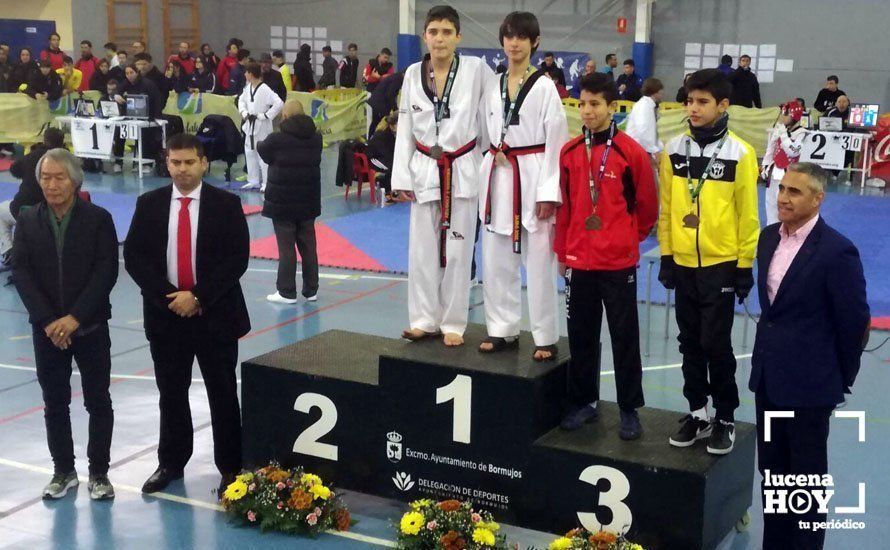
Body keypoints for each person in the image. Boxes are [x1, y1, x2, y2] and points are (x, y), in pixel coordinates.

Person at [750, 162, 869, 550]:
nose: (783, 197)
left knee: (805, 485)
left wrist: (837, 380)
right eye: (782, 189)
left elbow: (853, 324)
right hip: (768, 383)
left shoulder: (837, 252)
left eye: (795, 192)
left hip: (810, 390)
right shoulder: (767, 238)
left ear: (818, 199)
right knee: (773, 477)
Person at [124, 133, 249, 498]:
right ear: (167, 162)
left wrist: (197, 297)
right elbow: (136, 258)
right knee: (171, 393)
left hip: (215, 314)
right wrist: (170, 299)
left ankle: (230, 468)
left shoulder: (226, 204)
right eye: (175, 163)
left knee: (223, 393)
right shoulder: (149, 204)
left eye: (189, 162)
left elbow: (236, 259)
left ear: (203, 163)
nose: (182, 170)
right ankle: (171, 462)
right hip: (167, 318)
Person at [658, 69, 760, 455]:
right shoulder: (672, 151)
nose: (693, 108)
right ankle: (698, 413)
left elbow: (748, 216)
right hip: (683, 262)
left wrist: (744, 265)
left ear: (723, 105)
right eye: (689, 101)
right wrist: (667, 255)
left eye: (702, 102)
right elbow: (668, 211)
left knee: (715, 343)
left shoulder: (741, 154)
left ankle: (726, 416)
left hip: (721, 263)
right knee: (689, 343)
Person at [12, 147, 118, 501]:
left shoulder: (98, 219)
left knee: (98, 401)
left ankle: (99, 473)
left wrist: (74, 318)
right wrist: (47, 321)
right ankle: (63, 471)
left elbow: (106, 271)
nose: (52, 185)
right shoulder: (27, 220)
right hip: (47, 332)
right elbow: (22, 271)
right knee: (54, 403)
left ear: (74, 181)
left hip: (89, 327)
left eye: (59, 177)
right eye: (45, 178)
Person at [556, 72, 657, 438]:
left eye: (595, 104)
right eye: (581, 104)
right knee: (581, 336)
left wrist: (627, 241)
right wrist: (562, 253)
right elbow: (565, 209)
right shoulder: (568, 153)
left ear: (612, 108)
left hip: (617, 263)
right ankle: (584, 401)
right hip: (579, 263)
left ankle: (629, 408)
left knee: (624, 336)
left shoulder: (631, 153)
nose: (586, 111)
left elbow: (647, 207)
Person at [391, 5, 493, 347]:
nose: (439, 38)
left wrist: (494, 154)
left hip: (461, 170)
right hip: (423, 170)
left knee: (459, 253)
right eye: (433, 31)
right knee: (421, 253)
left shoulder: (476, 70)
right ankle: (423, 320)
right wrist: (400, 178)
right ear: (425, 36)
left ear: (458, 37)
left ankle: (453, 323)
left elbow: (492, 111)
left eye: (447, 32)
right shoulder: (411, 74)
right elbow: (405, 126)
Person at [478, 11, 568, 360]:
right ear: (502, 41)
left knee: (540, 260)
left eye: (521, 37)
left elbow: (556, 142)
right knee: (496, 257)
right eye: (509, 36)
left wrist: (549, 191)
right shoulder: (493, 83)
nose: (514, 43)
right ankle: (502, 329)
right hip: (500, 172)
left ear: (535, 42)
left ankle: (544, 335)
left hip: (533, 175)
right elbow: (486, 133)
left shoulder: (545, 86)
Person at [259, 103, 322, 304]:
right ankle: (311, 290)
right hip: (308, 200)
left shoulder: (277, 139)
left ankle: (286, 291)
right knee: (309, 247)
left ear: (284, 116)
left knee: (286, 248)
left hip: (282, 201)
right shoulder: (316, 138)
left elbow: (262, 150)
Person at [0, 128, 66, 266]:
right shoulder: (68, 161)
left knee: (1, 213)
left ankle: (8, 251)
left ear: (44, 140)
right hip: (58, 213)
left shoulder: (33, 156)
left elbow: (14, 170)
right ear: (62, 142)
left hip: (26, 210)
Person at [239, 61, 284, 191]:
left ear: (251, 74)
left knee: (263, 153)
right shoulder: (248, 87)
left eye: (246, 72)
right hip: (250, 123)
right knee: (249, 151)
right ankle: (253, 180)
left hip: (262, 124)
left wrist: (266, 115)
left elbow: (279, 103)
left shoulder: (265, 88)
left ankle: (265, 182)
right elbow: (241, 100)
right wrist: (244, 112)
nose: (245, 74)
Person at [761, 101, 806, 225]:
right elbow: (771, 147)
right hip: (774, 170)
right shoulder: (781, 128)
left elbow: (793, 152)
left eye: (785, 114)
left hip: (789, 173)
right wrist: (765, 165)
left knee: (786, 204)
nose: (782, 117)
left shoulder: (801, 132)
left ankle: (786, 228)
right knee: (770, 203)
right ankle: (771, 227)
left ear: (794, 116)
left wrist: (784, 135)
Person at [121, 65, 163, 173]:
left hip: (150, 117)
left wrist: (156, 117)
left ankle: (148, 163)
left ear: (137, 72)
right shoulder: (127, 83)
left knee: (147, 136)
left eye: (131, 73)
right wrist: (117, 95)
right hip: (136, 117)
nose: (129, 75)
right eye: (127, 73)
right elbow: (118, 89)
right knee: (136, 137)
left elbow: (158, 99)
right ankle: (138, 162)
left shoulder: (148, 84)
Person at [624, 77, 664, 160]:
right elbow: (643, 131)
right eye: (661, 91)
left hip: (641, 150)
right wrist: (655, 151)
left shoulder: (648, 105)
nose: (662, 94)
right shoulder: (644, 106)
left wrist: (659, 147)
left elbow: (650, 133)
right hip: (639, 152)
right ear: (656, 91)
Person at [367, 112, 399, 201]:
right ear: (392, 125)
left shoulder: (395, 134)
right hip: (374, 158)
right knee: (392, 166)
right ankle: (388, 192)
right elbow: (386, 154)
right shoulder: (382, 134)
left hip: (384, 155)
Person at [367, 69, 404, 137]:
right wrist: (395, 109)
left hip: (379, 101)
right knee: (378, 122)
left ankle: (371, 140)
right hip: (379, 102)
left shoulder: (396, 77)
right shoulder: (398, 79)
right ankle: (372, 140)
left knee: (376, 122)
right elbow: (390, 95)